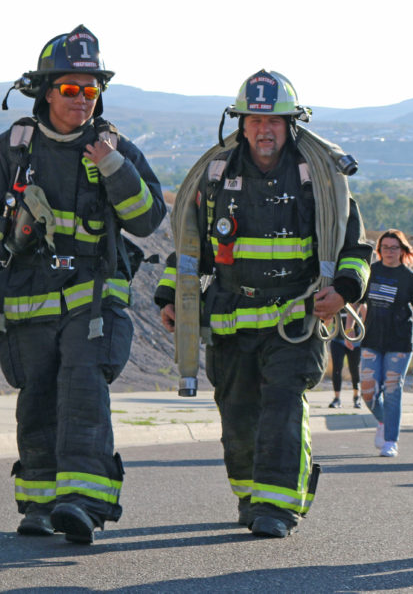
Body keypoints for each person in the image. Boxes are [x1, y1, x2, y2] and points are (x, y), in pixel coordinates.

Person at [0, 25, 166, 543]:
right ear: (46, 91)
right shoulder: (13, 148)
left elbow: (147, 218)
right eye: (71, 89)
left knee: (83, 390)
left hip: (93, 301)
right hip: (26, 300)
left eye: (91, 90)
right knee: (38, 397)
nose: (82, 100)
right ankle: (40, 504)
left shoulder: (116, 149)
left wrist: (112, 166)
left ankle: (83, 503)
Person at [154, 70, 371, 538]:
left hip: (296, 319)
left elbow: (354, 244)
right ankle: (254, 495)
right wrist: (172, 294)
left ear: (291, 124)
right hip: (231, 319)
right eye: (255, 120)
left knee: (282, 406)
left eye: (274, 120)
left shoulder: (321, 177)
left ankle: (278, 506)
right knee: (237, 414)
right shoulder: (215, 176)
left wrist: (344, 291)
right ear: (241, 123)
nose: (264, 129)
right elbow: (192, 246)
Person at [359, 229, 413, 457]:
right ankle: (383, 421)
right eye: (385, 247)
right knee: (367, 392)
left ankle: (391, 441)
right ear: (379, 250)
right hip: (371, 339)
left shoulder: (408, 278)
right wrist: (351, 329)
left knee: (392, 389)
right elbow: (358, 302)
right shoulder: (370, 271)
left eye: (394, 247)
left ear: (402, 250)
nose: (389, 252)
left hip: (398, 343)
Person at [328, 308, 362, 409]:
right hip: (337, 339)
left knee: (354, 368)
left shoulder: (356, 299)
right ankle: (337, 398)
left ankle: (356, 396)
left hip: (354, 342)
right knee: (337, 368)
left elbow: (364, 313)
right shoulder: (335, 299)